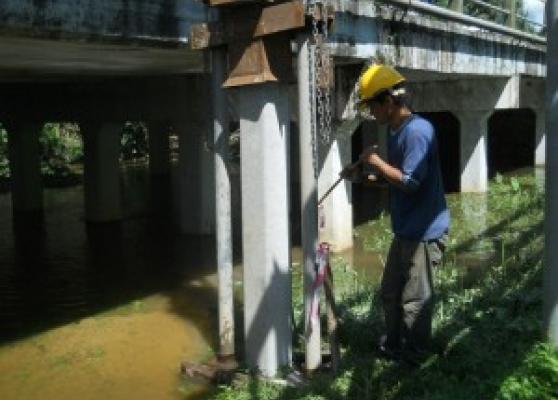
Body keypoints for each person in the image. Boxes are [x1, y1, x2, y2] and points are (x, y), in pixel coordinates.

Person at [342, 64, 450, 363]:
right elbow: (397, 180)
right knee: (390, 293)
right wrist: (362, 175)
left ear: (388, 101)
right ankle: (392, 346)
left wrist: (376, 162)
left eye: (372, 107)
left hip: (424, 233)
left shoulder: (418, 132)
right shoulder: (396, 131)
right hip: (405, 230)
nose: (371, 114)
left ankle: (415, 359)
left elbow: (411, 182)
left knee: (415, 301)